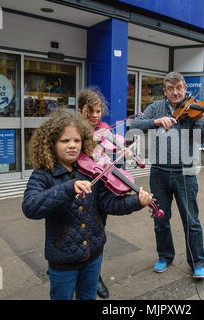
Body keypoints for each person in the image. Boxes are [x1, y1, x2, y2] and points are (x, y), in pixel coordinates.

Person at [22, 110, 153, 300]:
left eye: (77, 140)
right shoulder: (43, 174)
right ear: (51, 144)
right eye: (65, 141)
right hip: (63, 258)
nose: (72, 145)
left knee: (88, 297)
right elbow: (30, 207)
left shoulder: (90, 169)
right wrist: (69, 188)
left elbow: (108, 204)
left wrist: (136, 201)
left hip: (94, 253)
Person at [130, 71, 204, 279]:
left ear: (185, 89)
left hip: (185, 172)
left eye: (179, 88)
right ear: (165, 91)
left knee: (191, 221)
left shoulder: (194, 108)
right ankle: (165, 256)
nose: (176, 92)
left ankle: (197, 262)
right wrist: (155, 122)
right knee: (160, 218)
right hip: (159, 172)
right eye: (171, 88)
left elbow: (200, 139)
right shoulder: (156, 108)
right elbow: (135, 125)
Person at [76, 88, 111, 298]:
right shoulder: (73, 130)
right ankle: (70, 268)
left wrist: (120, 149)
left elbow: (108, 153)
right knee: (79, 230)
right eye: (91, 111)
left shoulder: (105, 129)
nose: (96, 116)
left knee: (98, 230)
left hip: (102, 185)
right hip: (80, 184)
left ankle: (95, 275)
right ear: (81, 111)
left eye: (98, 111)